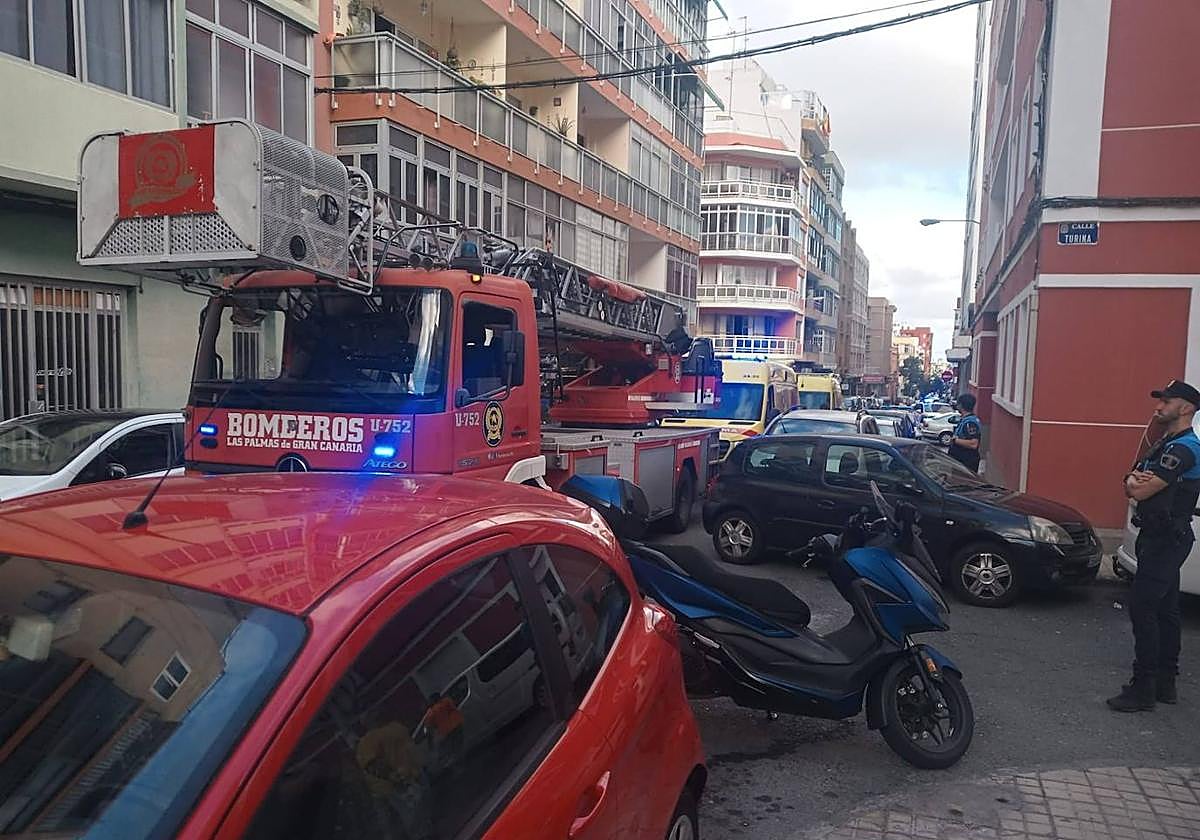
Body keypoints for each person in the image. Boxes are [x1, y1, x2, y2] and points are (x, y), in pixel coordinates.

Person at [1107, 380, 1200, 712]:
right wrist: (1133, 480)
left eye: (1166, 401)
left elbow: (1141, 490)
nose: (1158, 407)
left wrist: (1135, 482)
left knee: (1143, 607)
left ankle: (1143, 688)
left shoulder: (1184, 449)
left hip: (1166, 540)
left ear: (1186, 408)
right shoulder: (1165, 443)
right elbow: (1130, 479)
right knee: (1167, 609)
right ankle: (1165, 683)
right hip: (1158, 537)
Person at [947, 393, 982, 473]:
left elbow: (973, 444)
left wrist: (955, 440)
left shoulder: (970, 423)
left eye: (958, 404)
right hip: (961, 462)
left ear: (961, 405)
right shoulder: (966, 420)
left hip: (965, 463)